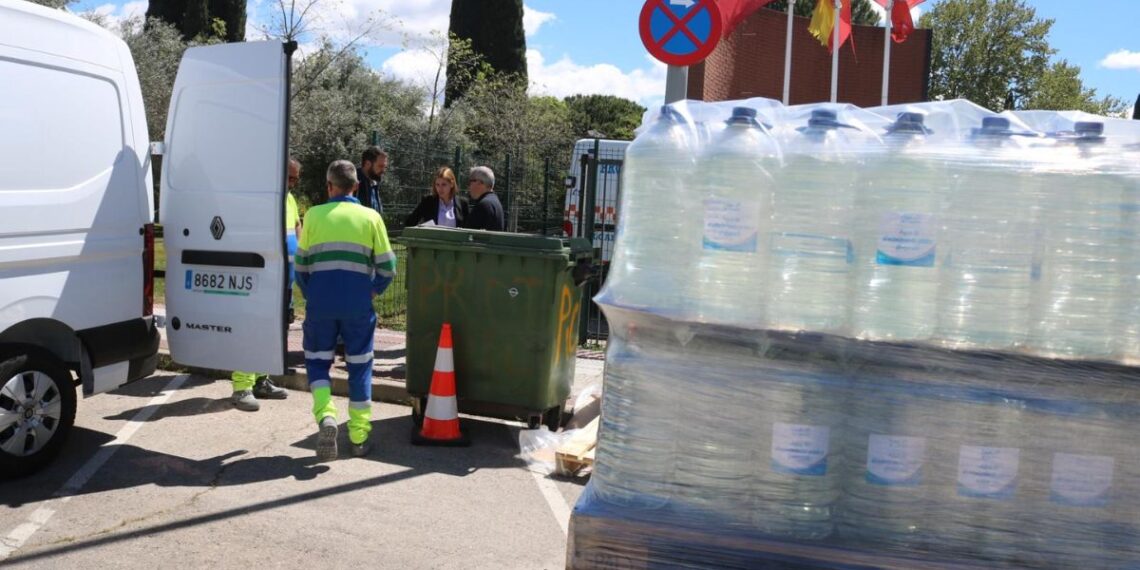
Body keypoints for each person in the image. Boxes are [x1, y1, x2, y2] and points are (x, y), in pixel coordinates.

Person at [294, 159, 397, 460]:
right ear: (356, 186)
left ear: (329, 186)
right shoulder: (371, 217)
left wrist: (313, 294)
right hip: (358, 307)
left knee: (317, 362)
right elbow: (388, 267)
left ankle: (326, 414)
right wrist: (372, 291)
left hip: (321, 305)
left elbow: (300, 268)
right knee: (360, 365)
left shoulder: (313, 216)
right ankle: (359, 436)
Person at [230, 157, 302, 411]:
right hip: (263, 277)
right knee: (252, 329)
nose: (293, 183)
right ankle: (242, 386)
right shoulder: (261, 199)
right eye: (289, 177)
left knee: (273, 331)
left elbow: (296, 226)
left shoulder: (289, 199)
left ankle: (262, 379)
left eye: (296, 179)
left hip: (284, 278)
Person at [404, 166, 469, 228]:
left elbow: (468, 228)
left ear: (451, 184)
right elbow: (409, 223)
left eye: (444, 184)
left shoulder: (463, 203)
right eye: (437, 185)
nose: (440, 188)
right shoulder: (428, 201)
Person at [463, 165, 505, 231]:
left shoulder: (484, 205)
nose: (469, 186)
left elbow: (468, 234)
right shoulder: (494, 202)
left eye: (470, 181)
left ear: (479, 182)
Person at [356, 146, 388, 215]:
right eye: (380, 166)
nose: (383, 170)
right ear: (367, 164)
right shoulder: (353, 183)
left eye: (385, 167)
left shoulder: (374, 183)